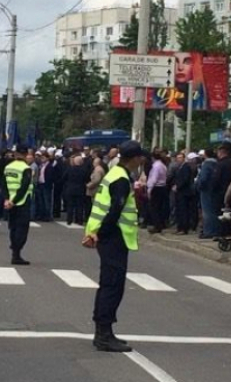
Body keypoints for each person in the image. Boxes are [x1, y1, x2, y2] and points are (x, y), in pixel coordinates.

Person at [84, 140, 147, 353]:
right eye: (141, 157)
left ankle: (104, 332)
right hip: (113, 236)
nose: (142, 160)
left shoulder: (114, 174)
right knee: (112, 286)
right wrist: (99, 234)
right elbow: (114, 212)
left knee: (108, 284)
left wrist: (95, 233)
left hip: (107, 235)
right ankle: (103, 334)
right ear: (136, 158)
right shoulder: (120, 179)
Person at [2, 144, 33, 265]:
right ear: (26, 154)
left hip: (9, 201)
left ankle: (14, 252)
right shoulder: (26, 168)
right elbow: (24, 187)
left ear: (15, 154)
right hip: (22, 201)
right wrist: (14, 201)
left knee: (13, 226)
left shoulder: (8, 167)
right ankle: (16, 254)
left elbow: (3, 185)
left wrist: (7, 200)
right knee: (22, 228)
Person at [175, 152, 198, 235]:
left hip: (184, 192)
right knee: (181, 210)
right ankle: (181, 227)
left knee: (183, 210)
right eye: (177, 158)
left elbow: (185, 179)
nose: (179, 159)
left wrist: (177, 186)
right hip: (181, 192)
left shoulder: (186, 167)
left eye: (180, 157)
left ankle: (184, 228)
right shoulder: (180, 167)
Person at [146, 151, 168, 233]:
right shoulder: (163, 165)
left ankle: (157, 226)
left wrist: (149, 189)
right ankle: (161, 224)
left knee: (154, 208)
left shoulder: (155, 166)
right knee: (160, 207)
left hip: (156, 188)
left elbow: (153, 179)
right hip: (163, 187)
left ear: (153, 158)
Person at [35, 152, 54, 222]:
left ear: (47, 158)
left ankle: (47, 216)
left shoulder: (50, 166)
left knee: (47, 201)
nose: (42, 159)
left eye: (44, 158)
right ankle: (41, 215)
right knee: (41, 201)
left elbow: (50, 177)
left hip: (46, 185)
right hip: (40, 184)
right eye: (41, 158)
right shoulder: (41, 166)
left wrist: (48, 183)